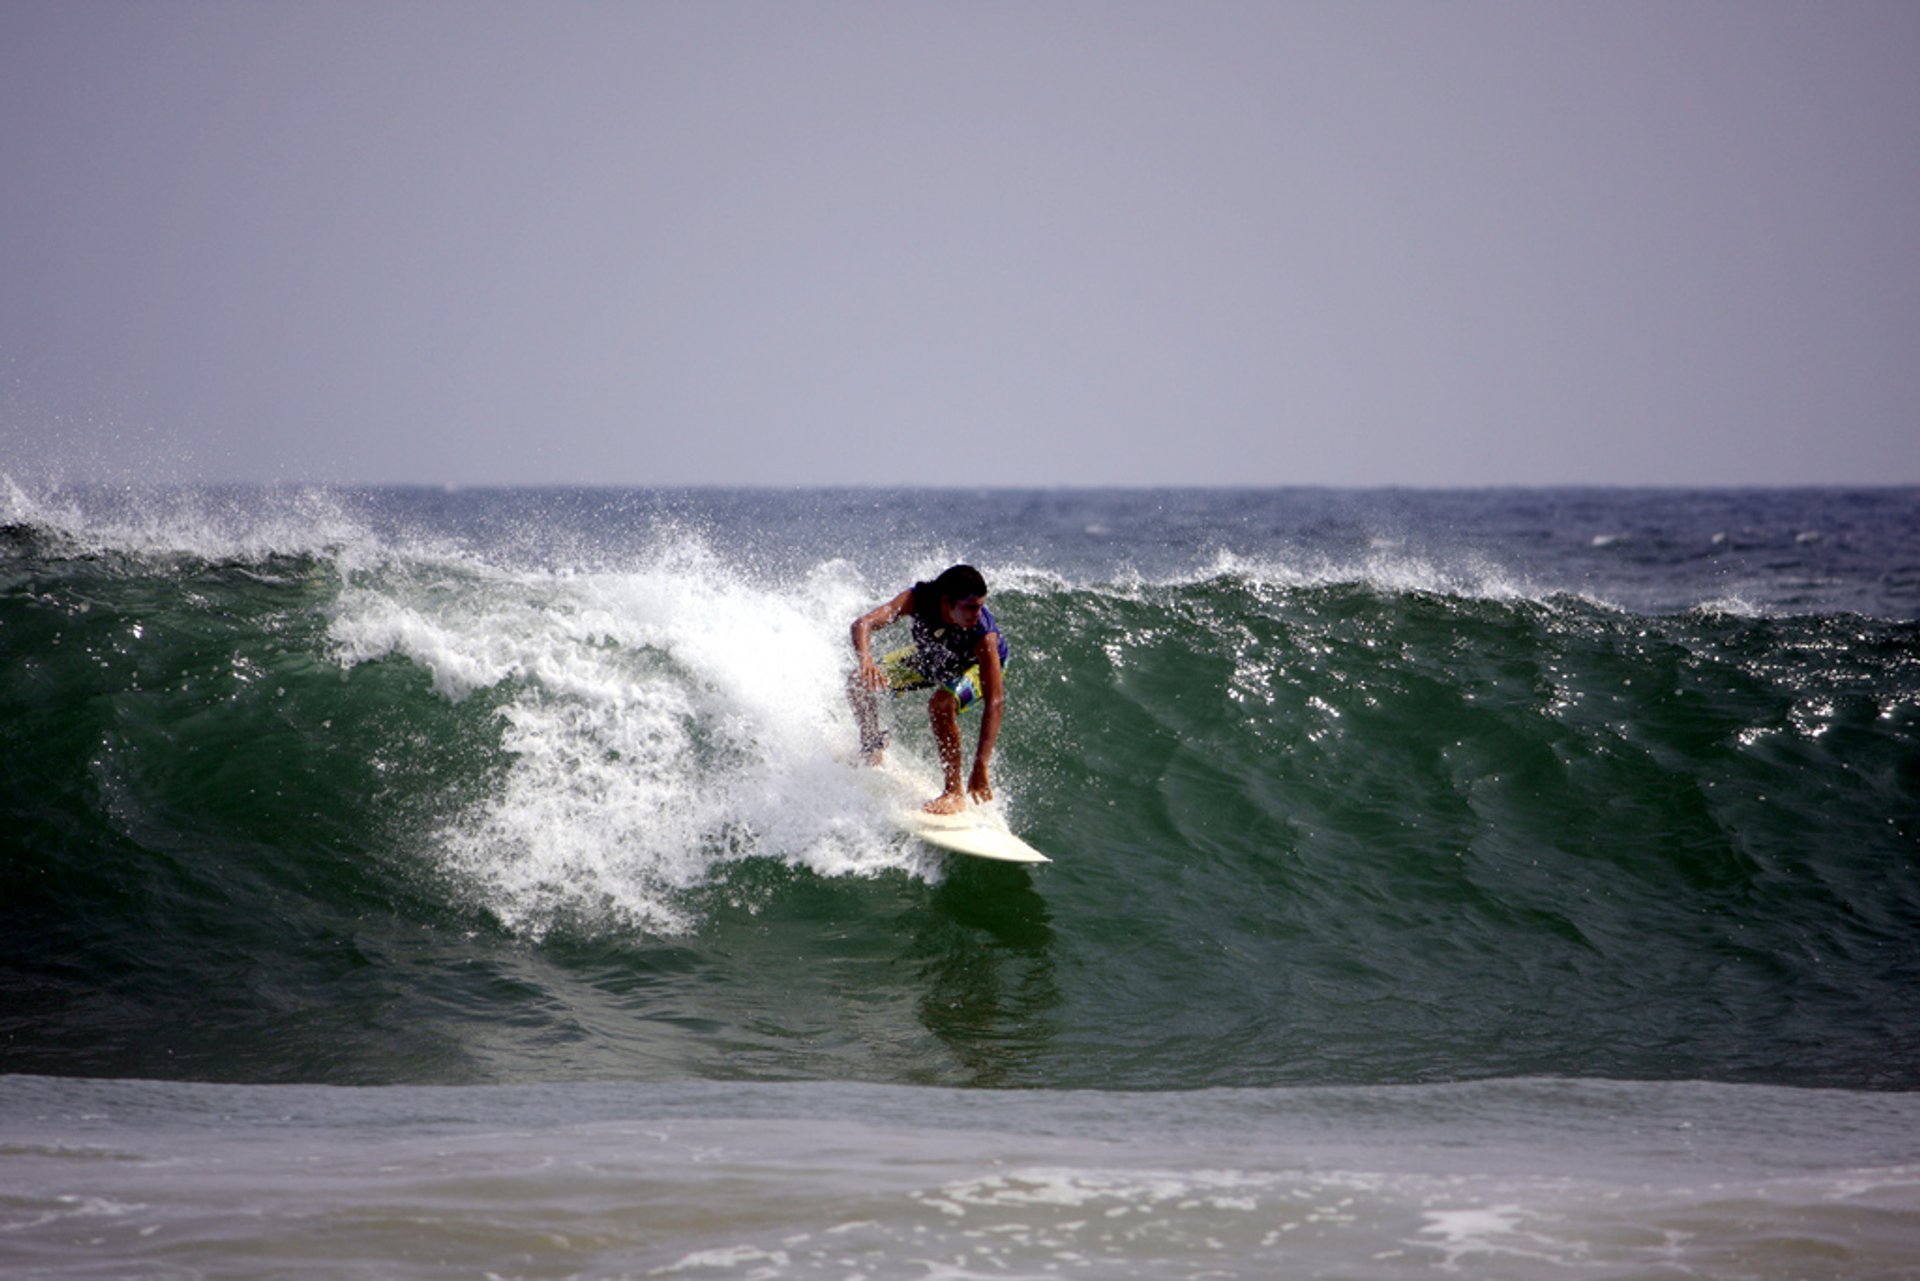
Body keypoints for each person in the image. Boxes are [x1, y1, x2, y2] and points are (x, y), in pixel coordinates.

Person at [848, 564, 1008, 815]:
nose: (977, 613)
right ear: (947, 601)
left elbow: (995, 702)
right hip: (933, 658)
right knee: (858, 680)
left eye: (980, 606)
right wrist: (866, 661)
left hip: (973, 668)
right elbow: (863, 624)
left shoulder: (983, 635)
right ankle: (872, 748)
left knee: (941, 704)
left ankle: (954, 793)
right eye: (970, 607)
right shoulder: (918, 599)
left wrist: (980, 766)